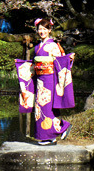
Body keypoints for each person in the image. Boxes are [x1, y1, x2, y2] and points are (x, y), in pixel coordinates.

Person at [15, 17, 75, 145]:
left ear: (49, 30)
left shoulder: (53, 45)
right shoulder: (37, 47)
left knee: (47, 107)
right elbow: (33, 64)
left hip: (50, 80)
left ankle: (62, 128)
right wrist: (21, 65)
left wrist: (68, 58)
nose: (41, 32)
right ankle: (48, 136)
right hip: (40, 80)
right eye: (39, 29)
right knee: (39, 109)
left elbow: (59, 62)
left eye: (44, 29)